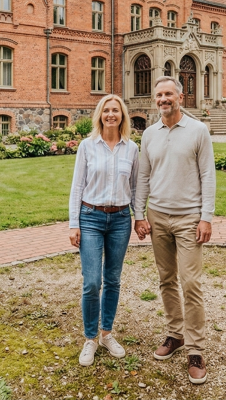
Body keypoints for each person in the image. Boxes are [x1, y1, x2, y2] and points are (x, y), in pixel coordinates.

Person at [133, 76, 216, 385]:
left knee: (191, 282)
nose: (163, 99)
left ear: (180, 97)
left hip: (188, 219)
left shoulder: (198, 130)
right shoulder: (150, 134)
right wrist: (138, 214)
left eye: (169, 94)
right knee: (167, 280)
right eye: (159, 95)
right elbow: (143, 176)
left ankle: (196, 350)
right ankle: (174, 335)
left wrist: (206, 217)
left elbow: (208, 175)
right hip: (157, 216)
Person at [68, 95, 138, 367]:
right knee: (92, 281)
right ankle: (90, 339)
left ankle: (107, 333)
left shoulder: (132, 149)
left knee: (113, 279)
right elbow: (77, 186)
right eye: (106, 110)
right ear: (100, 115)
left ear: (122, 116)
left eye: (116, 111)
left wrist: (139, 216)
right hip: (91, 218)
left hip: (121, 219)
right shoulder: (87, 146)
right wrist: (74, 223)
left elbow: (136, 187)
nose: (111, 115)